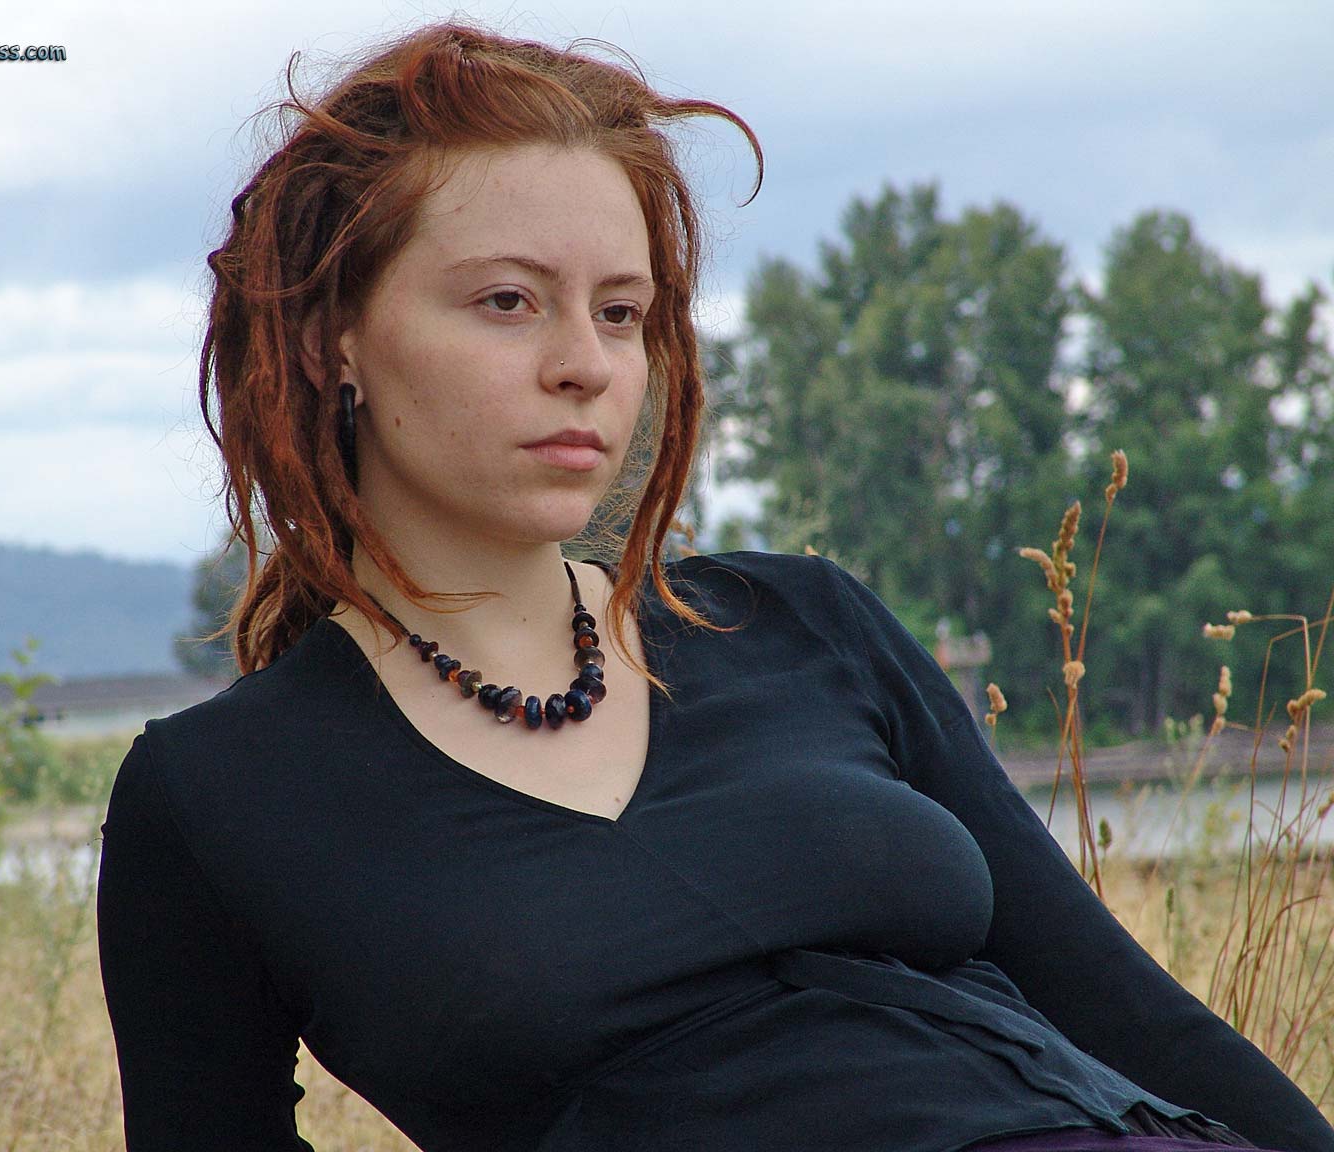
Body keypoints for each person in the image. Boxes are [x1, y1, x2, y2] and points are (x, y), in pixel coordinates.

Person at [94, 21, 1334, 1152]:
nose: (584, 365)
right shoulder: (220, 795)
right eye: (508, 302)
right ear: (333, 338)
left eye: (621, 312)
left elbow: (1129, 1014)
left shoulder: (802, 624)